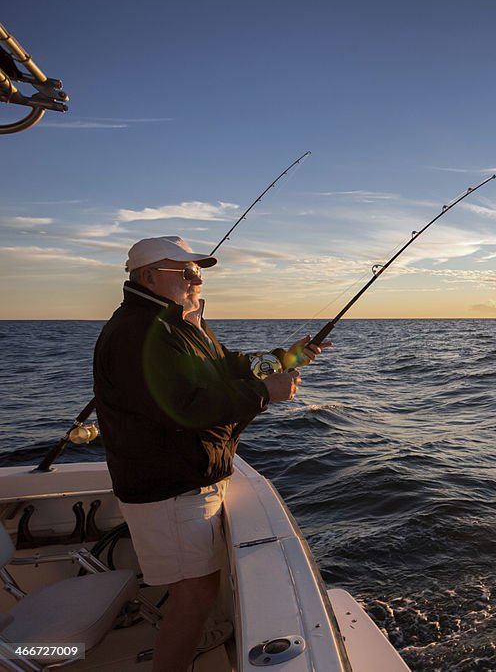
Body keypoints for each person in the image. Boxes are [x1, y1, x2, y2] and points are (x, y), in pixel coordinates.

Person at [92, 236, 328, 672]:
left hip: (187, 478)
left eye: (198, 272)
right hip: (171, 489)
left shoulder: (176, 324)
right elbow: (185, 408)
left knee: (198, 591)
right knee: (194, 596)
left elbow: (224, 367)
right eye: (184, 272)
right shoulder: (139, 333)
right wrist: (264, 393)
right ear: (147, 276)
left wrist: (288, 357)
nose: (195, 280)